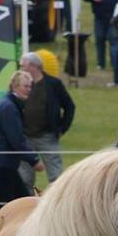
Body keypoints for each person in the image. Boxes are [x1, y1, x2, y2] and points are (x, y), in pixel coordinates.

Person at [0, 70, 45, 215]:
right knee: (7, 201)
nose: (29, 90)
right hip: (2, 161)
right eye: (25, 86)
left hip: (5, 162)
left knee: (18, 198)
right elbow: (16, 140)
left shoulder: (11, 105)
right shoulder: (9, 108)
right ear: (14, 86)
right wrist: (34, 160)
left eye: (30, 87)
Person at [17, 52, 75, 186]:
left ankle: (56, 204)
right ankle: (27, 204)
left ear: (34, 66)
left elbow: (69, 106)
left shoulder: (53, 84)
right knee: (25, 178)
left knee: (56, 177)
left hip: (47, 136)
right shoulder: (19, 84)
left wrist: (62, 129)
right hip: (25, 138)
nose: (20, 70)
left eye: (23, 66)